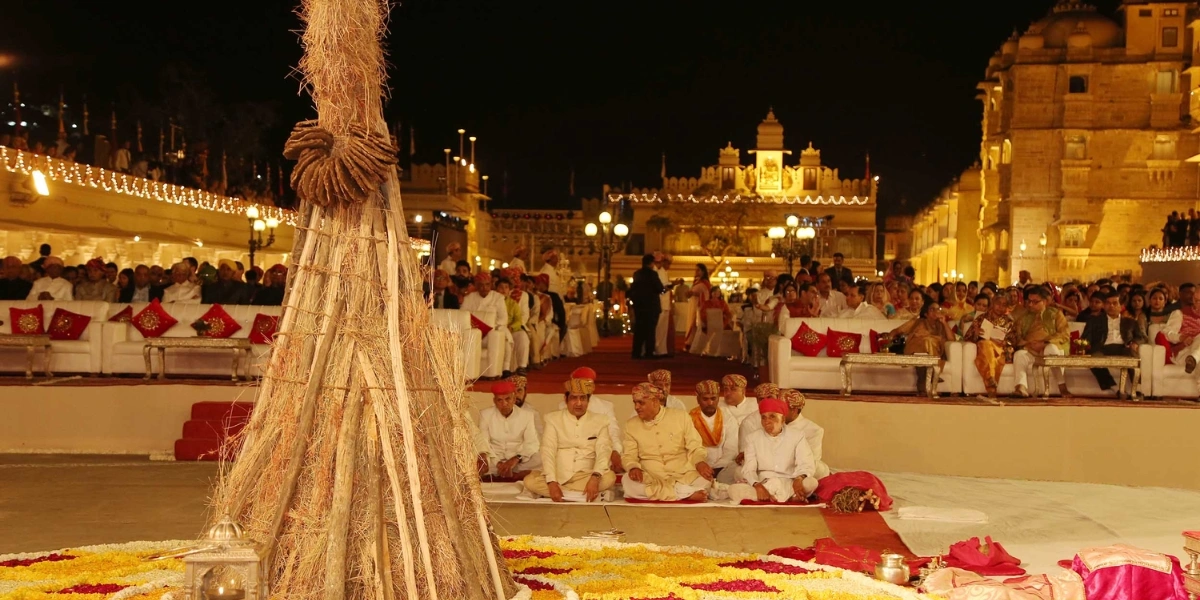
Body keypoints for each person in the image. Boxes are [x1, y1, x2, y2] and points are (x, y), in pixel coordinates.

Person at [522, 378, 616, 502]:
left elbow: (604, 450)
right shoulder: (553, 419)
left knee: (609, 478)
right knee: (529, 481)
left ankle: (564, 494)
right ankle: (582, 495)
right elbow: (548, 450)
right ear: (566, 400)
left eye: (583, 398)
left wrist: (595, 478)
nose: (578, 403)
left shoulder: (601, 420)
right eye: (574, 398)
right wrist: (551, 482)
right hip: (559, 475)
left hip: (586, 475)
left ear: (588, 401)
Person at [622, 382, 713, 502]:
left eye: (641, 403)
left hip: (682, 474)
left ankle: (667, 493)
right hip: (651, 475)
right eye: (635, 402)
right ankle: (684, 494)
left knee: (705, 480)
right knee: (627, 483)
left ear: (655, 402)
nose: (636, 407)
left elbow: (695, 446)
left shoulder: (681, 417)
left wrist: (700, 462)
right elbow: (629, 455)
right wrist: (633, 467)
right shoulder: (631, 425)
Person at [727, 397, 817, 504]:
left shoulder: (797, 436)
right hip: (764, 483)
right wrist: (758, 486)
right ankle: (790, 498)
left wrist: (799, 479)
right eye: (763, 418)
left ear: (783, 419)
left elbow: (806, 463)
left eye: (772, 417)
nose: (767, 421)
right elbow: (749, 468)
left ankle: (772, 498)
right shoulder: (752, 438)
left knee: (811, 482)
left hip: (790, 481)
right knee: (733, 490)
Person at [881, 298, 956, 395]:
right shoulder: (918, 321)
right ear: (926, 313)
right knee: (927, 341)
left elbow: (952, 340)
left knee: (928, 344)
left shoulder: (941, 325)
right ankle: (932, 377)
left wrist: (945, 323)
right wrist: (888, 339)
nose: (936, 312)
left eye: (938, 309)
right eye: (932, 309)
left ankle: (923, 386)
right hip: (915, 348)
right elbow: (898, 330)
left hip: (932, 352)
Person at [557, 366, 624, 473]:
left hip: (599, 451)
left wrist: (615, 452)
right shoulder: (563, 406)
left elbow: (613, 432)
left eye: (588, 384)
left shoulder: (605, 406)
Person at [1080, 291, 1147, 392]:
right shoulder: (1094, 321)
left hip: (1123, 347)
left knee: (1131, 354)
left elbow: (1142, 337)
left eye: (1115, 303)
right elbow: (1085, 338)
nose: (1111, 306)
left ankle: (1137, 388)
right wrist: (1085, 346)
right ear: (1104, 305)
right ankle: (1113, 387)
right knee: (1094, 359)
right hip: (1102, 348)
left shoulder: (1130, 322)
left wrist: (1135, 343)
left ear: (1121, 306)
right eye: (1108, 303)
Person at [1013, 287, 1071, 398]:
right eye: (1029, 301)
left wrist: (1045, 343)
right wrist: (1028, 345)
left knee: (1051, 349)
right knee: (1019, 355)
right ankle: (1021, 387)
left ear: (1044, 302)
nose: (1030, 304)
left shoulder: (1055, 314)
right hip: (1031, 349)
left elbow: (1064, 334)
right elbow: (1017, 337)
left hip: (1049, 347)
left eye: (1034, 302)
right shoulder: (1023, 318)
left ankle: (1062, 386)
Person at [478, 380, 541, 481]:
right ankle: (511, 475)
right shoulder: (485, 414)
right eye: (500, 400)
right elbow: (483, 441)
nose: (504, 404)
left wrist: (515, 459)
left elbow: (532, 442)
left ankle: (498, 476)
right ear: (494, 401)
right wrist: (498, 463)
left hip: (518, 458)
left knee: (540, 457)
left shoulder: (527, 415)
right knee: (478, 458)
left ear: (514, 399)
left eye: (508, 399)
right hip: (494, 457)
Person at [964, 295, 1017, 400]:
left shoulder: (1009, 323)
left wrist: (1004, 342)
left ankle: (990, 380)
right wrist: (976, 333)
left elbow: (1014, 342)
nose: (1000, 307)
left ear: (1007, 307)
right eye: (998, 304)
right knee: (985, 344)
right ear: (993, 303)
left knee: (987, 346)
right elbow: (967, 338)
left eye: (1004, 305)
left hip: (1000, 351)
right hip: (985, 351)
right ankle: (991, 382)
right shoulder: (981, 318)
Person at [462, 273, 513, 379]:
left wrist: (491, 326)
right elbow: (463, 315)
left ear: (491, 285)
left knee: (504, 336)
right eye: (480, 285)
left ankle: (505, 368)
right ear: (476, 285)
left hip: (493, 329)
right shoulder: (469, 298)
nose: (484, 288)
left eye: (487, 284)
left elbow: (503, 318)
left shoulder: (498, 297)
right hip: (474, 330)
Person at [690, 380, 739, 483]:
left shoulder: (728, 418)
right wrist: (700, 465)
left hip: (723, 467)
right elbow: (688, 449)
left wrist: (716, 468)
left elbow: (731, 449)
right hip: (697, 467)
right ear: (697, 398)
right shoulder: (689, 419)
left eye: (713, 399)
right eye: (705, 399)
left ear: (718, 398)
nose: (710, 403)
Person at [628, 254, 665, 359]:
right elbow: (659, 288)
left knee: (639, 329)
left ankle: (636, 352)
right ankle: (649, 352)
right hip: (651, 306)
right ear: (651, 263)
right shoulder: (653, 274)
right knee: (650, 330)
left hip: (639, 306)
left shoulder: (637, 274)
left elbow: (634, 288)